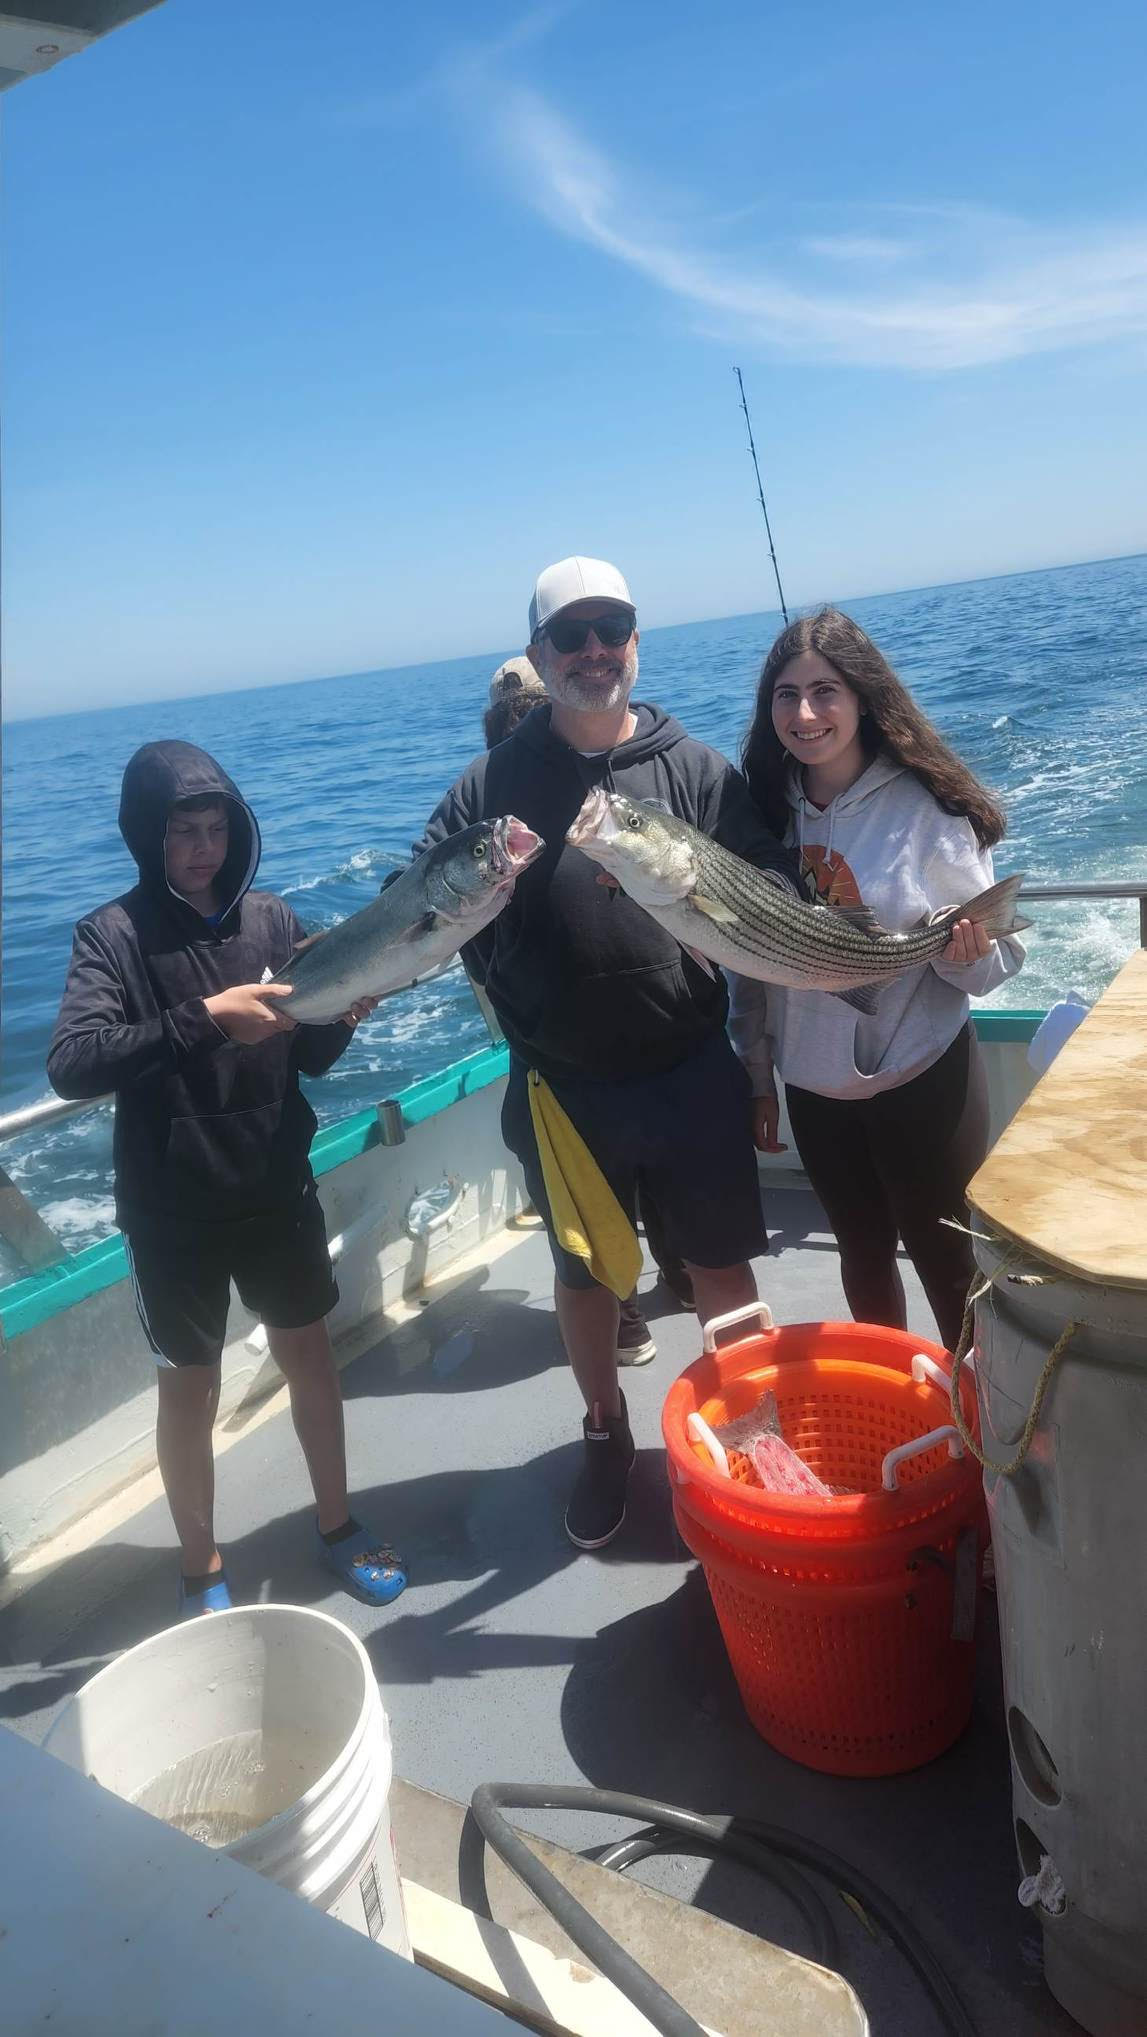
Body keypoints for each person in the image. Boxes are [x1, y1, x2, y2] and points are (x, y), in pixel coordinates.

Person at [417, 557, 799, 1549]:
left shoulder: (695, 768)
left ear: (635, 639)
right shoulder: (489, 785)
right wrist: (352, 980)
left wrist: (758, 1063)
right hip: (562, 1084)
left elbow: (768, 898)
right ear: (541, 655)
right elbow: (417, 905)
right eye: (570, 634)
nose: (593, 650)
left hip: (689, 1067)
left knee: (723, 1271)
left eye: (610, 628)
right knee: (587, 1280)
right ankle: (603, 1431)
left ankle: (757, 1439)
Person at [47, 741, 406, 1617]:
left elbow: (311, 1055)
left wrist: (346, 1010)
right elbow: (73, 1061)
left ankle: (336, 1523)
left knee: (309, 1356)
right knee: (191, 1387)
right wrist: (205, 1018)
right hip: (172, 1210)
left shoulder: (274, 923)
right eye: (182, 832)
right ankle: (202, 1564)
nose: (203, 849)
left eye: (216, 829)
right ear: (147, 836)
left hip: (275, 1184)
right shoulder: (114, 934)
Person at [734, 608, 1025, 1352]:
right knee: (861, 1263)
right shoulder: (756, 818)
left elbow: (990, 972)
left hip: (924, 1080)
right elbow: (753, 966)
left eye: (825, 690)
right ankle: (894, 1412)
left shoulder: (926, 810)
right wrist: (759, 1074)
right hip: (816, 1090)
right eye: (785, 694)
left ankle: (979, 1438)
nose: (804, 713)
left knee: (951, 1270)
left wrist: (960, 950)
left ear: (863, 696)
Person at [481, 654, 693, 1355]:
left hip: (641, 1050)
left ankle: (663, 1283)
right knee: (586, 1208)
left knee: (644, 1197)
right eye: (513, 721)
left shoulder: (620, 799)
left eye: (534, 712)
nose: (526, 727)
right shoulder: (488, 816)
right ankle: (630, 1306)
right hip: (552, 1063)